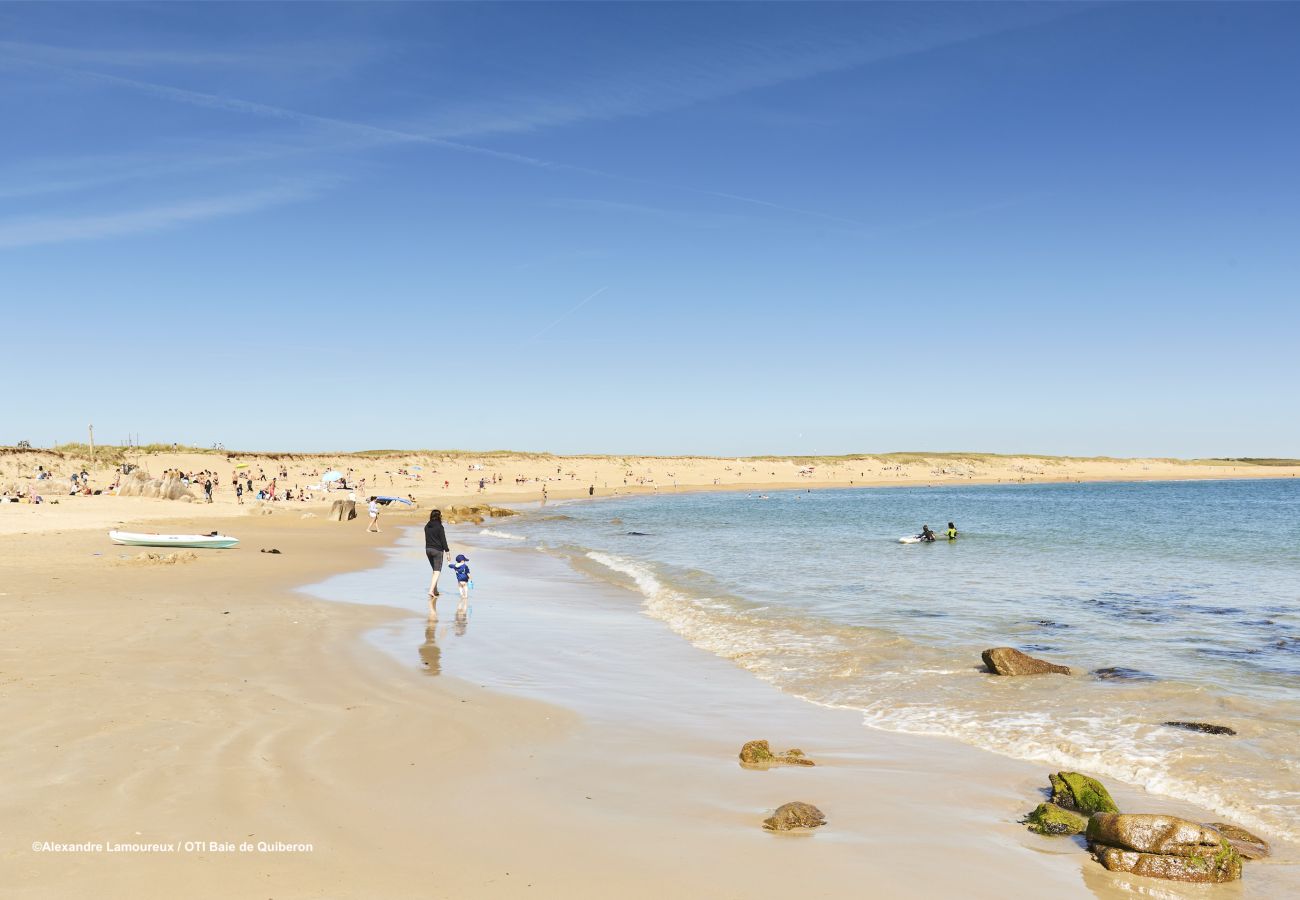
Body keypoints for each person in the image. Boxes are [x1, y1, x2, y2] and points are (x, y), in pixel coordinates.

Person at [424, 509, 450, 618]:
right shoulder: (440, 527)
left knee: (434, 571)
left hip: (428, 549)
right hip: (437, 550)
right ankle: (431, 590)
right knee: (437, 571)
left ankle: (435, 590)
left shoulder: (427, 526)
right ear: (439, 516)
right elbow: (443, 540)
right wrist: (447, 551)